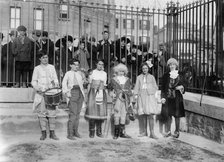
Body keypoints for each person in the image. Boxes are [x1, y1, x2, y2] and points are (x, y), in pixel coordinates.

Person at [31, 51, 60, 140]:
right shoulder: (37, 68)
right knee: (42, 113)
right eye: (43, 57)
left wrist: (54, 85)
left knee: (52, 113)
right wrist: (38, 88)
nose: (45, 59)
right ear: (40, 59)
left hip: (51, 94)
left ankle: (52, 132)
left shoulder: (52, 67)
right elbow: (34, 81)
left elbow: (55, 79)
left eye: (46, 57)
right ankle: (43, 133)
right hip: (41, 93)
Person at [158, 58, 185, 138]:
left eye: (173, 64)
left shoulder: (180, 75)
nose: (172, 66)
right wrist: (162, 97)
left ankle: (177, 131)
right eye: (170, 65)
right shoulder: (166, 75)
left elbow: (184, 85)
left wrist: (182, 87)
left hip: (177, 98)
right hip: (168, 97)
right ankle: (168, 131)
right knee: (168, 114)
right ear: (168, 66)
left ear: (176, 65)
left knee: (177, 115)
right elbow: (163, 88)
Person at [133, 62, 158, 139]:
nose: (145, 70)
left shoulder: (152, 77)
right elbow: (136, 87)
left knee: (150, 114)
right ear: (141, 69)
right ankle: (144, 132)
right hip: (142, 96)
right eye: (143, 68)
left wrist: (152, 92)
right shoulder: (139, 77)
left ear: (148, 69)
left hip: (150, 96)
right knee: (143, 114)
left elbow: (155, 87)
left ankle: (152, 132)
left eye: (146, 68)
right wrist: (136, 96)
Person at [62, 59, 85, 140]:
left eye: (77, 65)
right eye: (75, 65)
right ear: (70, 65)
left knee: (78, 114)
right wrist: (66, 92)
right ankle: (70, 134)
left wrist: (84, 76)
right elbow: (64, 84)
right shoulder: (68, 73)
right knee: (73, 114)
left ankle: (76, 132)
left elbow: (83, 83)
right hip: (73, 92)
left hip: (80, 93)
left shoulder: (79, 74)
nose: (76, 66)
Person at [109, 63, 132, 139]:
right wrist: (112, 94)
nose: (121, 73)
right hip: (117, 99)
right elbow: (110, 89)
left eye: (123, 71)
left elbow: (129, 90)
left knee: (123, 115)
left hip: (125, 99)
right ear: (117, 71)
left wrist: (130, 101)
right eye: (120, 71)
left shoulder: (127, 80)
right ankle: (116, 133)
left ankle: (122, 133)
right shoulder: (113, 80)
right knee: (116, 115)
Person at [85, 60, 107, 138]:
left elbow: (104, 85)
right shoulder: (92, 72)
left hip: (101, 93)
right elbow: (89, 84)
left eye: (102, 64)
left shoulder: (104, 73)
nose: (100, 66)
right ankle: (92, 132)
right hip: (93, 93)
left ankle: (99, 131)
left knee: (100, 112)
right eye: (99, 64)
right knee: (92, 111)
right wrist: (87, 96)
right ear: (96, 64)